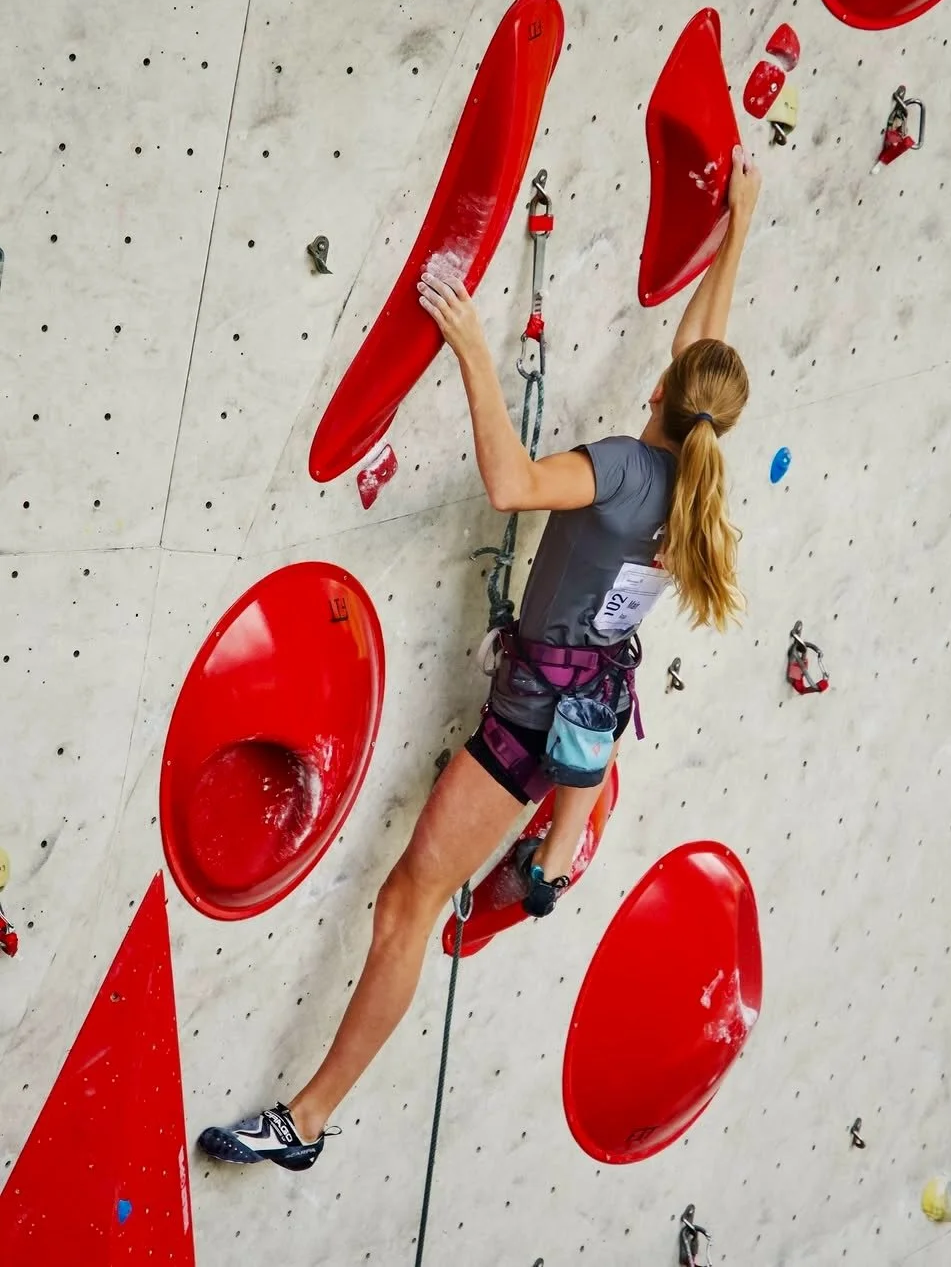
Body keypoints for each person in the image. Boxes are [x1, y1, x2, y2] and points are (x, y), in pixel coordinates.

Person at [197, 144, 761, 1171]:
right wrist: (738, 230)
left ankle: (309, 1119)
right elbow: (705, 345)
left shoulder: (632, 471)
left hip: (530, 724)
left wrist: (470, 347)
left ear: (667, 396)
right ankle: (545, 856)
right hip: (572, 705)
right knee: (419, 887)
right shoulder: (693, 480)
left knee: (408, 898)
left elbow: (507, 481)